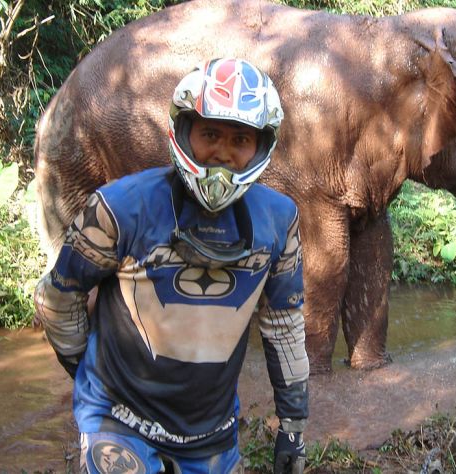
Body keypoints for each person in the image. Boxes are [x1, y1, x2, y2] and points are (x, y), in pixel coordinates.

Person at [34, 58, 309, 474]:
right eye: (210, 134)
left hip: (211, 432)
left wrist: (292, 425)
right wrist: (85, 371)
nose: (223, 153)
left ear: (261, 146)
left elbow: (284, 325)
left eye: (240, 139)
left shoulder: (279, 221)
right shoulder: (122, 208)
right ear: (183, 130)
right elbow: (59, 296)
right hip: (119, 419)